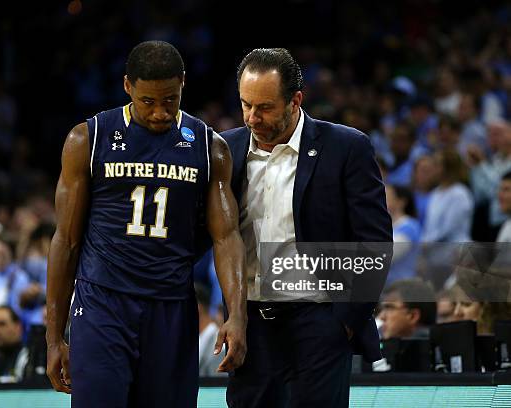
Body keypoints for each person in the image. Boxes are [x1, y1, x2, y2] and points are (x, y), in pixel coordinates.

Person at [46, 40, 247, 408]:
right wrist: (54, 336)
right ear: (127, 87)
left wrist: (236, 316)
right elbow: (66, 241)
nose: (159, 113)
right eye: (148, 102)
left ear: (184, 84)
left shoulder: (210, 147)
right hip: (102, 303)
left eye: (170, 100)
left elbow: (227, 237)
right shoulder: (88, 139)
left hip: (171, 306)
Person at [222, 48, 392, 408]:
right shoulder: (226, 148)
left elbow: (374, 242)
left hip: (319, 323)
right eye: (246, 105)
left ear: (295, 100)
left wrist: (344, 321)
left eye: (265, 107)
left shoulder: (346, 147)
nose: (253, 117)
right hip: (250, 325)